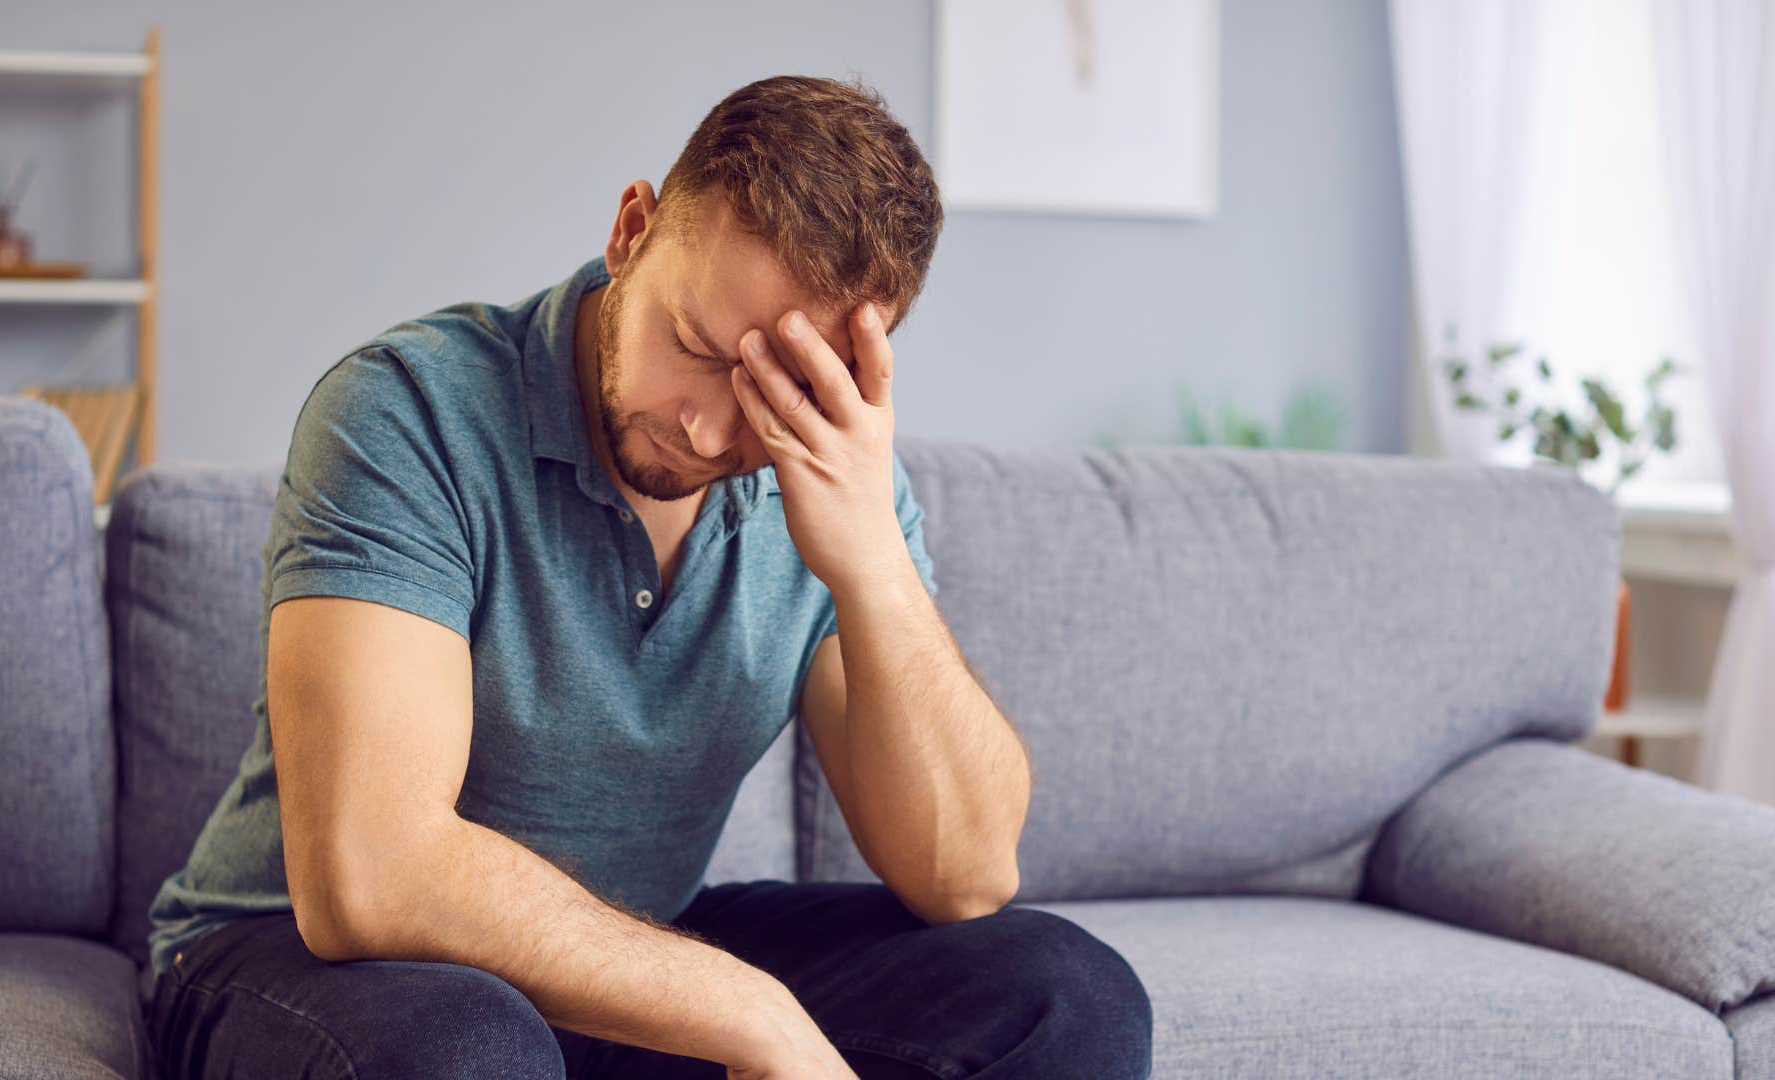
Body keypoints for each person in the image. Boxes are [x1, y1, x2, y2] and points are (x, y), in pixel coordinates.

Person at [145, 73, 1152, 1080]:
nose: (709, 431)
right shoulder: (408, 412)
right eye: (693, 345)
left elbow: (966, 876)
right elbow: (372, 876)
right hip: (301, 959)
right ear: (632, 230)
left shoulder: (831, 477)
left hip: (619, 966)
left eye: (774, 390)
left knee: (1067, 997)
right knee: (468, 1053)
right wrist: (748, 1009)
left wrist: (874, 563)